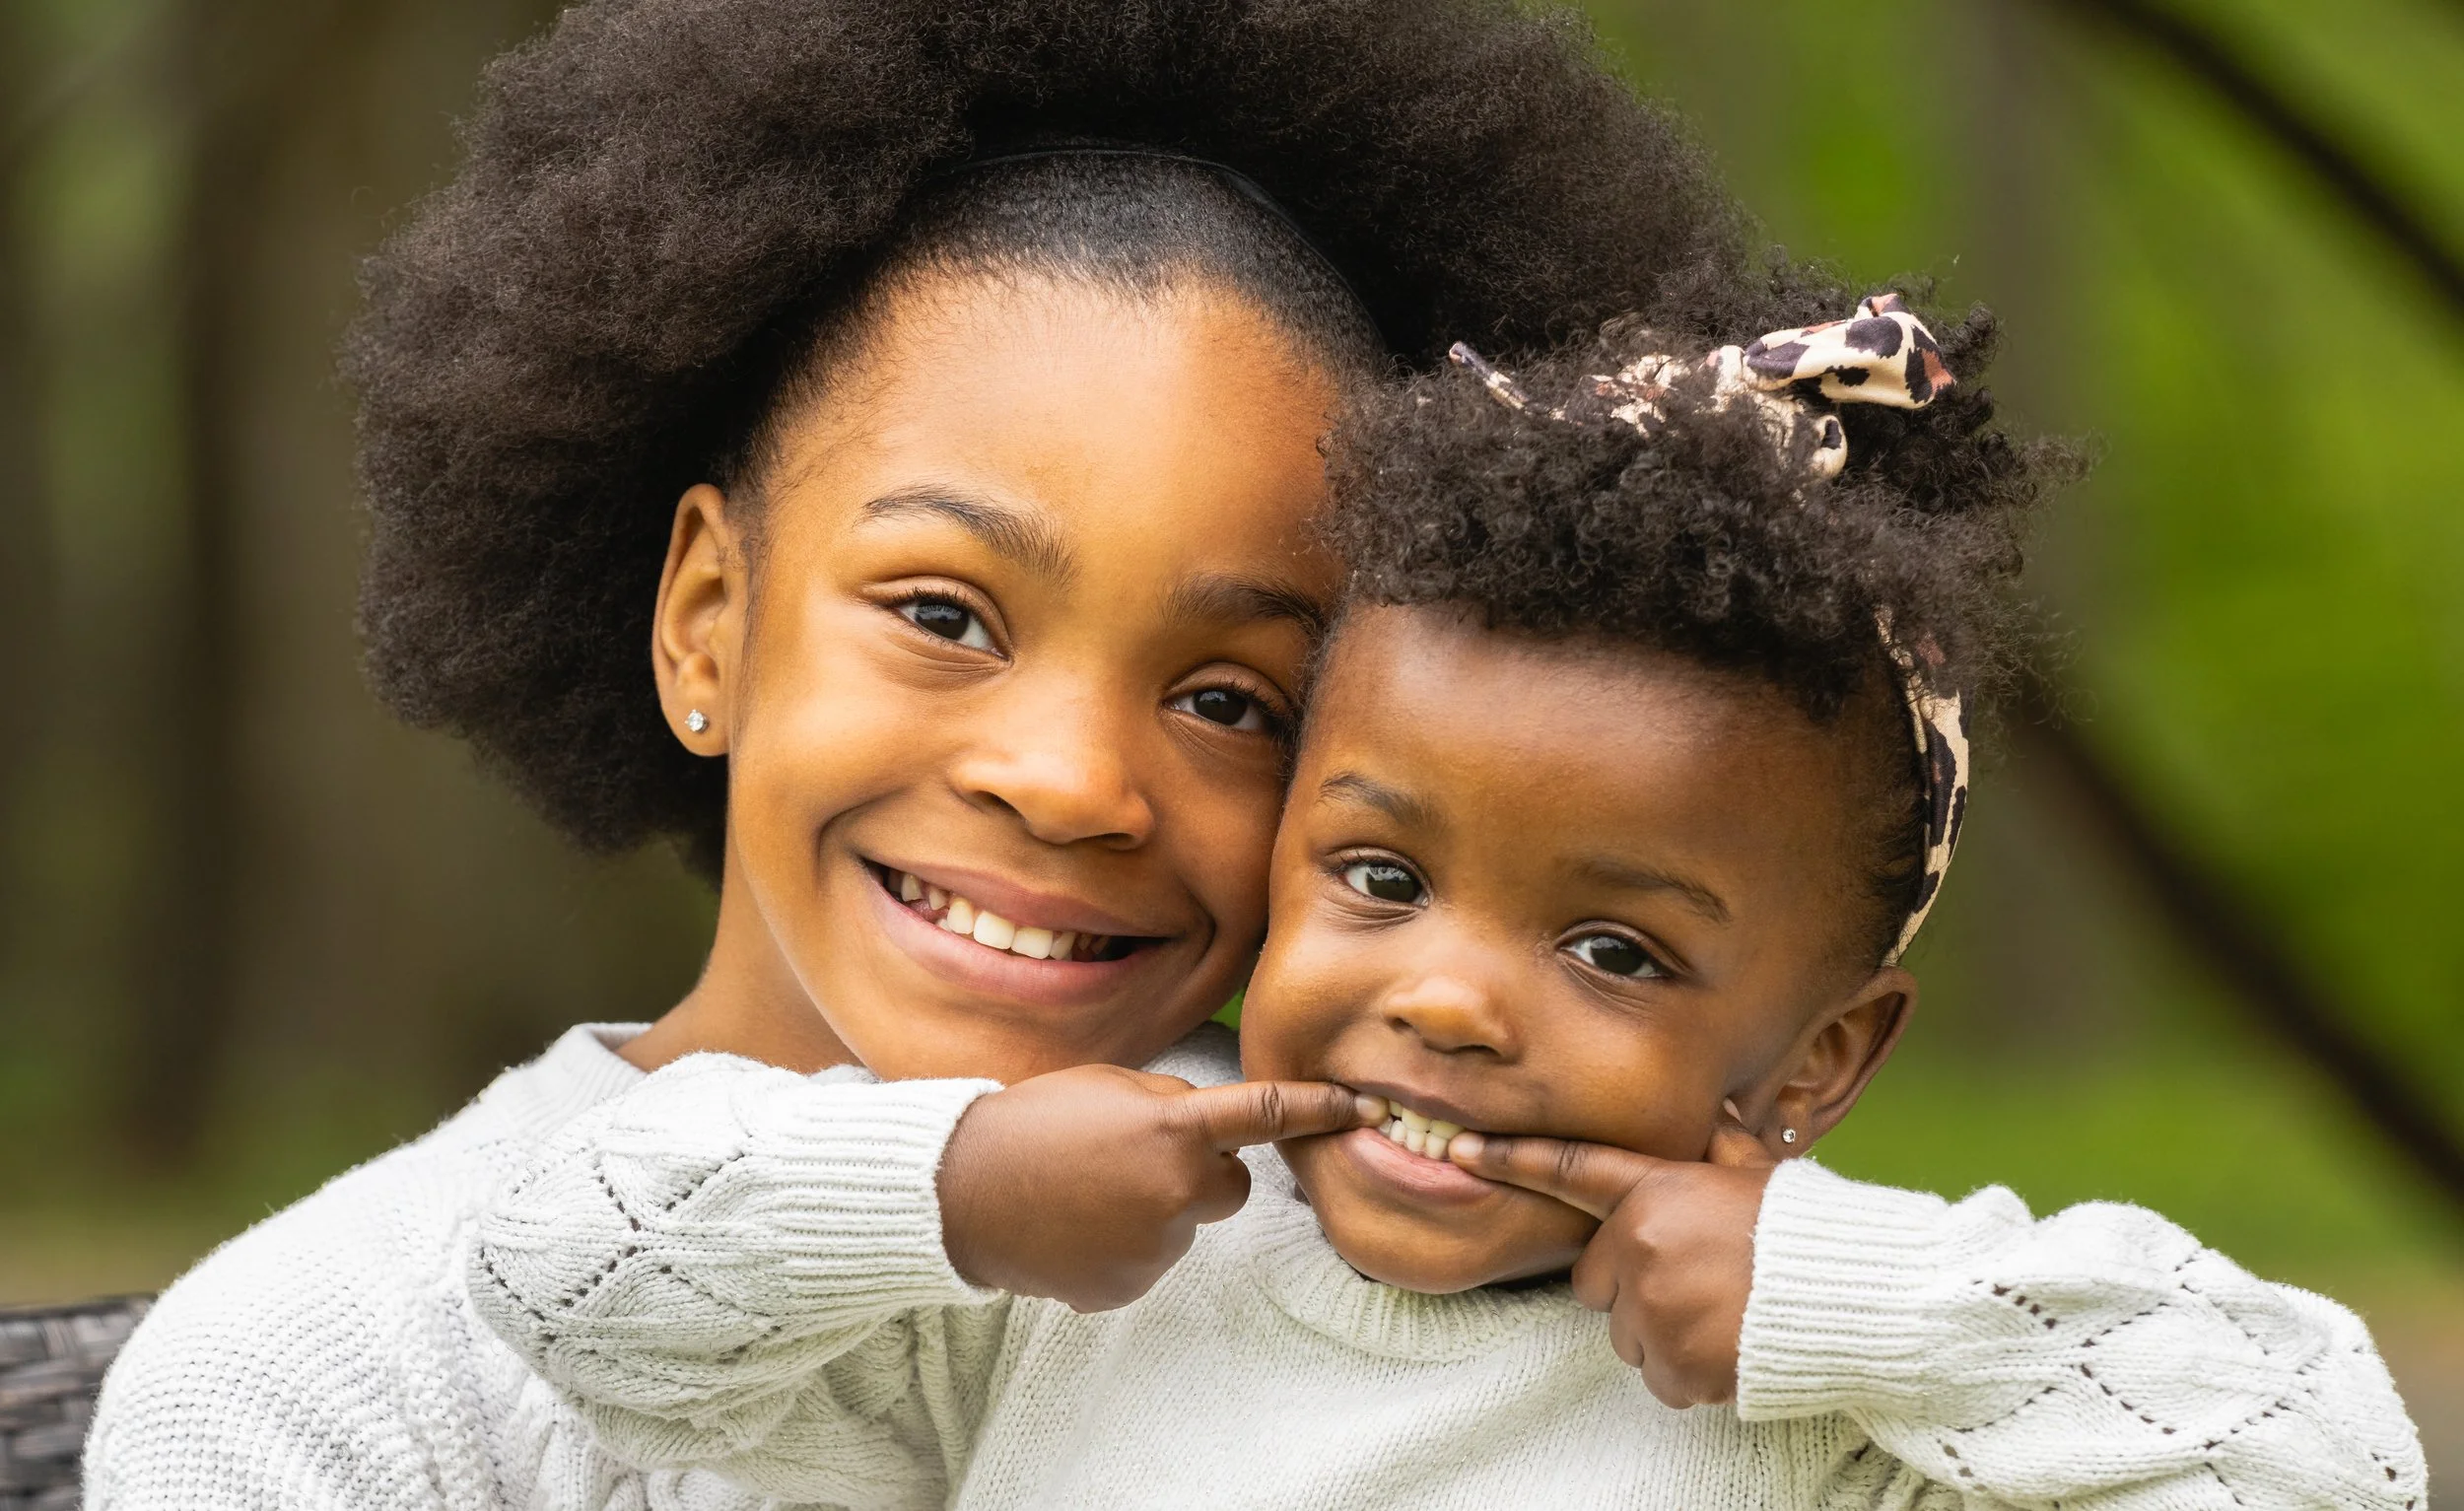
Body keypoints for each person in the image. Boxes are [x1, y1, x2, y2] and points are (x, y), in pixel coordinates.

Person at [82, 1, 1764, 1505]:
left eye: (1232, 699)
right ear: (707, 622)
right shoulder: (322, 1369)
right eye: (946, 614)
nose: (1071, 781)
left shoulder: (1417, 1249)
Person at [467, 306, 2429, 1507]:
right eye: (1380, 878)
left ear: (1816, 1057)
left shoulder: (1820, 1411)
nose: (1452, 1000)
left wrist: (1838, 1305)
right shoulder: (1084, 1269)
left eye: (1610, 949)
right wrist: (949, 1181)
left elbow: (2326, 1460)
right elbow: (560, 1286)